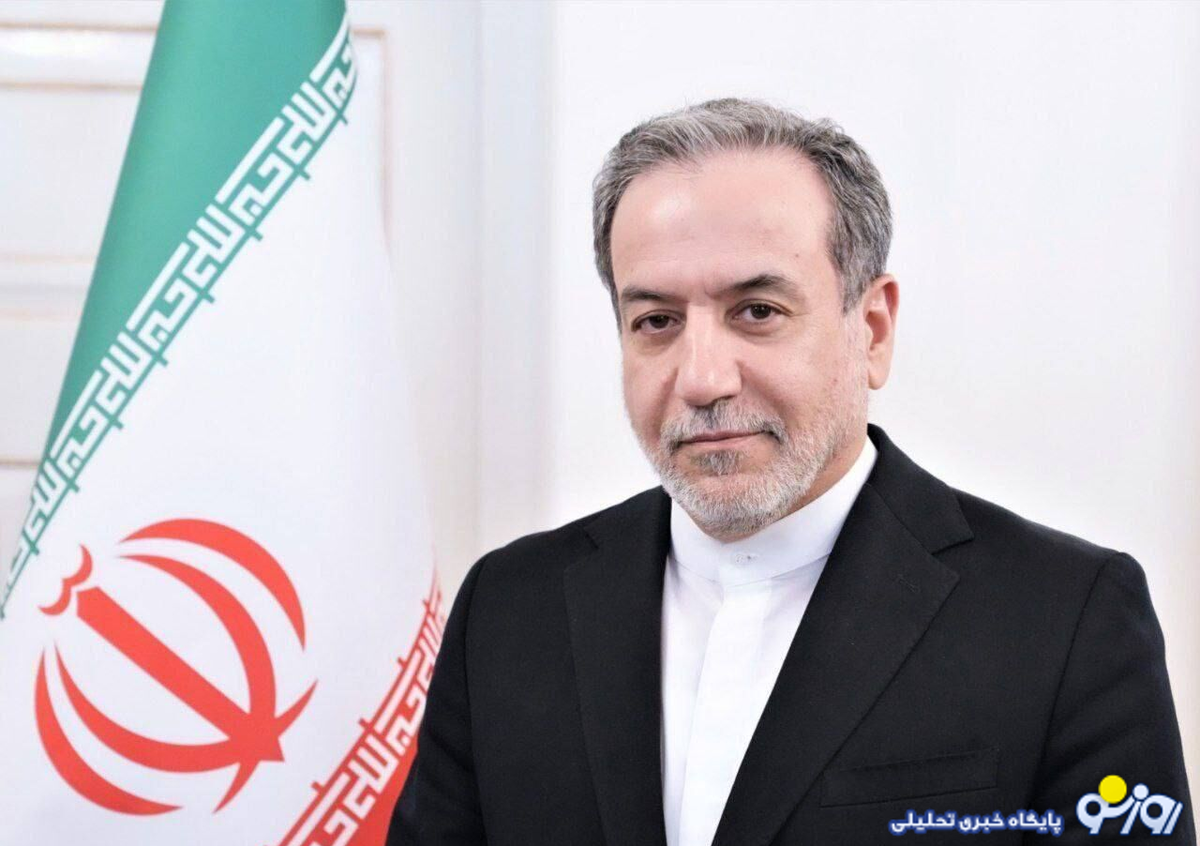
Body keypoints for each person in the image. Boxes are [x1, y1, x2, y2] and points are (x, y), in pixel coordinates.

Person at [387, 98, 1193, 845]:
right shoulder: (509, 610)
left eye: (758, 312)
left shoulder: (1065, 618)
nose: (703, 378)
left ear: (871, 330)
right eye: (657, 321)